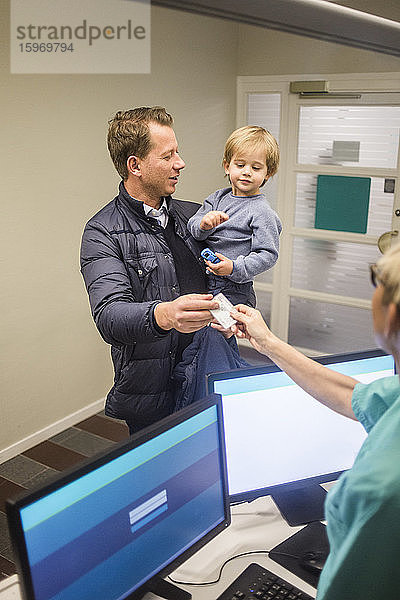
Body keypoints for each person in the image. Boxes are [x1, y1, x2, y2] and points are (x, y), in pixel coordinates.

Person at [229, 242, 400, 600]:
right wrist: (268, 343)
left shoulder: (384, 490)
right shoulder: (395, 396)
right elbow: (353, 396)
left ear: (392, 314)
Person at [80, 107, 220, 434]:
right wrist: (165, 315)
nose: (180, 163)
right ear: (135, 165)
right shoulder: (102, 232)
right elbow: (110, 317)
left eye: (178, 152)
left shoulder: (195, 218)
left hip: (206, 375)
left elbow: (227, 278)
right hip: (151, 394)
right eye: (168, 155)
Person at [187, 125, 282, 307]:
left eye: (256, 168)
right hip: (204, 279)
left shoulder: (262, 211)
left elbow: (268, 254)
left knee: (217, 333)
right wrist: (204, 225)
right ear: (227, 166)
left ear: (267, 173)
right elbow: (194, 228)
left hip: (233, 287)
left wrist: (234, 267)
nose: (247, 171)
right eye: (240, 165)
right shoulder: (217, 198)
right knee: (199, 331)